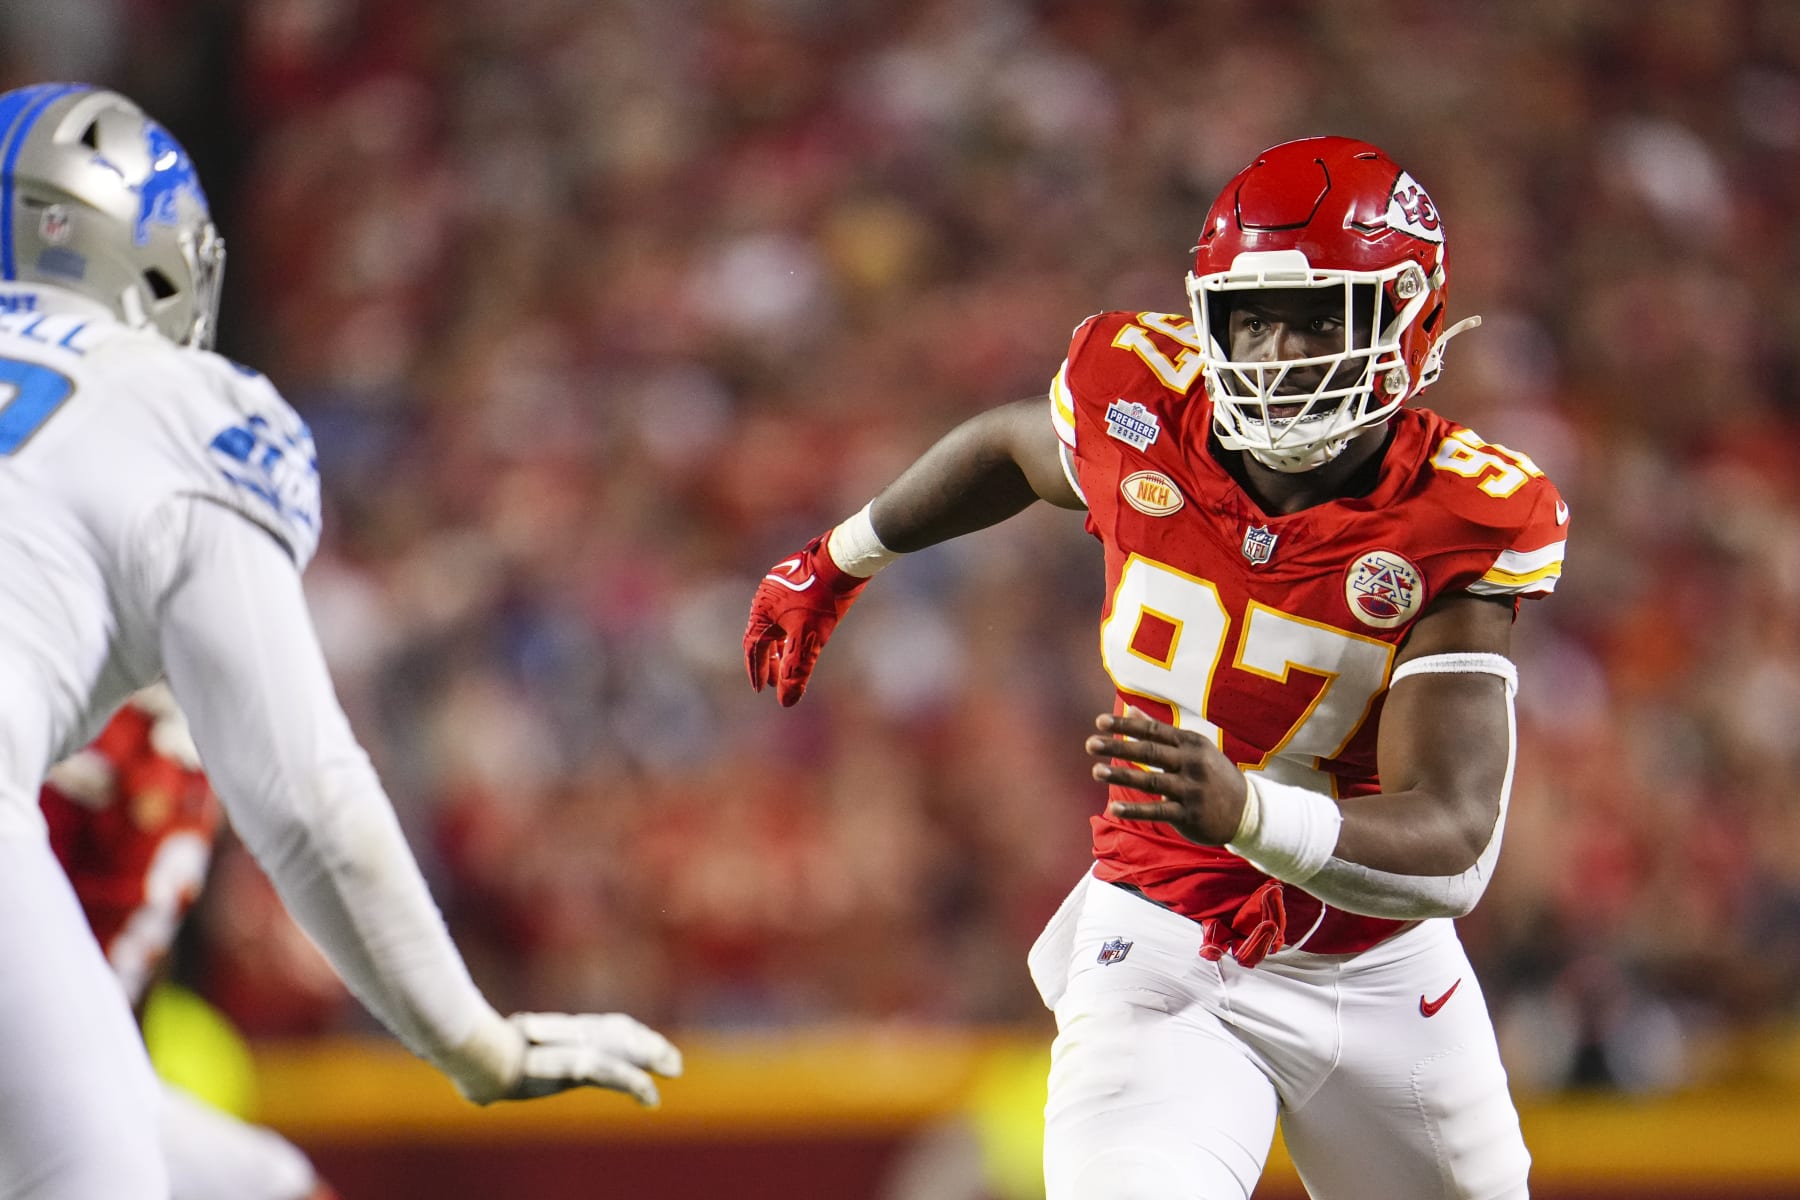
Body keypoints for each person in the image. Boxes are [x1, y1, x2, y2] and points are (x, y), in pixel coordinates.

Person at [746, 135, 1565, 1199]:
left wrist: (1249, 812)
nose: (1277, 351)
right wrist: (840, 557)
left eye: (1320, 316)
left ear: (1409, 312)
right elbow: (1011, 447)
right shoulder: (1141, 402)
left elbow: (1454, 844)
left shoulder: (1461, 514)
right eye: (1254, 318)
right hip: (1168, 936)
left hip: (1377, 966)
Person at [0, 83, 680, 1200]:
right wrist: (477, 1043)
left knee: (238, 1180)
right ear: (158, 261)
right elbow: (307, 802)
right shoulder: (176, 407)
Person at [42, 687, 336, 1200]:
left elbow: (141, 945)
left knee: (278, 1184)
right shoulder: (62, 710)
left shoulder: (190, 739)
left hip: (97, 1076)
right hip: (34, 1067)